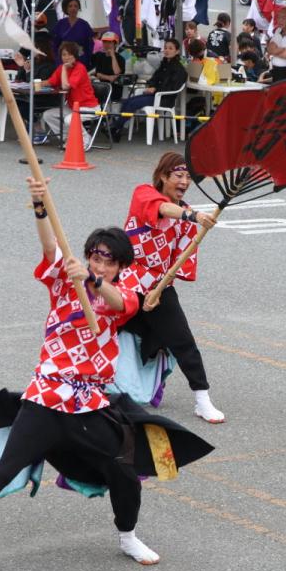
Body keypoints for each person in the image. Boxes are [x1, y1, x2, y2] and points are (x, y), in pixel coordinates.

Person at [0, 176, 211, 571]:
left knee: (124, 470)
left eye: (109, 260)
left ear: (120, 266)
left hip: (91, 404)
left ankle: (126, 535)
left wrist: (93, 282)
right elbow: (49, 248)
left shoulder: (123, 290)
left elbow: (118, 302)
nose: (100, 263)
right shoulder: (63, 282)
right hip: (48, 399)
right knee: (3, 471)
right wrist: (40, 206)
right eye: (95, 257)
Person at [119, 152, 224, 423]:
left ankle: (202, 399)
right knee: (105, 332)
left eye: (188, 177)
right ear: (163, 176)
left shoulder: (186, 215)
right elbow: (164, 209)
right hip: (127, 280)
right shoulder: (144, 194)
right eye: (178, 175)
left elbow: (179, 259)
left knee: (179, 340)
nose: (184, 181)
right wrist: (193, 216)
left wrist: (161, 288)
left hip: (158, 284)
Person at [115, 39, 187, 141]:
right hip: (155, 95)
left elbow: (173, 87)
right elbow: (153, 78)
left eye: (170, 48)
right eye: (165, 48)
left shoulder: (179, 69)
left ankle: (115, 128)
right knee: (127, 101)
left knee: (132, 104)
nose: (167, 50)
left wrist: (155, 89)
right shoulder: (164, 64)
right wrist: (152, 86)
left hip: (164, 98)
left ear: (177, 51)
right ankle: (117, 128)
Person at [39, 42, 101, 144]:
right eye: (64, 55)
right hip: (73, 107)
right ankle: (69, 138)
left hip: (89, 107)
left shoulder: (79, 68)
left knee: (69, 119)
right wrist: (34, 83)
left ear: (75, 55)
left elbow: (65, 86)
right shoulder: (61, 68)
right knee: (47, 115)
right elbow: (50, 82)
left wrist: (64, 68)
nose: (66, 57)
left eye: (69, 54)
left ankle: (85, 140)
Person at [51, 0, 95, 69]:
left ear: (78, 8)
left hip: (80, 59)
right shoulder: (60, 24)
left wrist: (86, 59)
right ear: (66, 8)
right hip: (63, 60)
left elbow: (89, 45)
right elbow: (54, 44)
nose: (73, 8)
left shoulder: (84, 24)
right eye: (70, 6)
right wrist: (58, 59)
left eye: (75, 6)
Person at [92, 31, 126, 99]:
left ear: (115, 44)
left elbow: (117, 73)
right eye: (104, 42)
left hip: (115, 89)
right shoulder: (99, 56)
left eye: (109, 42)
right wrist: (109, 77)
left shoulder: (120, 58)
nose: (106, 44)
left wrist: (113, 56)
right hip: (101, 87)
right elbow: (98, 74)